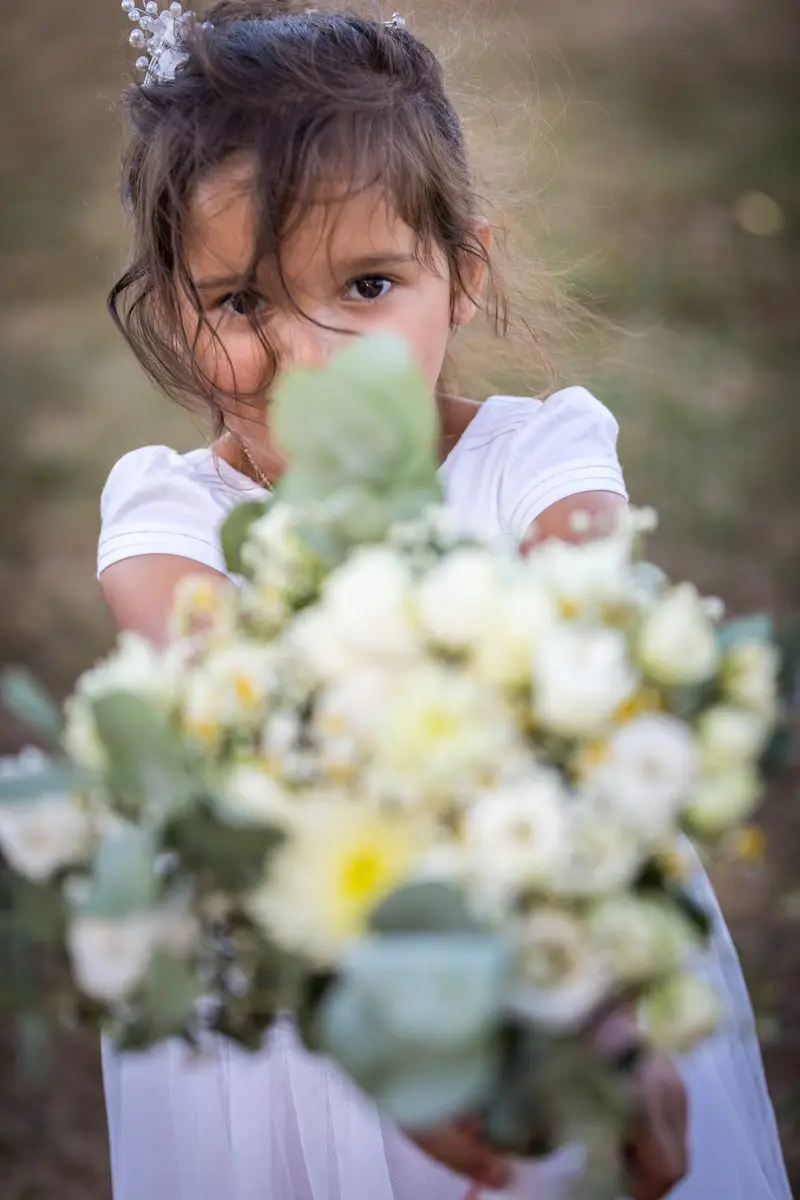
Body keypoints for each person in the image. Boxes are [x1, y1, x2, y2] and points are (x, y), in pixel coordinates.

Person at [96, 4, 791, 1197]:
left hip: (544, 941)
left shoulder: (537, 460)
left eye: (365, 285)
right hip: (309, 998)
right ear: (174, 308)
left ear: (460, 272)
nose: (308, 358)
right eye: (240, 304)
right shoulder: (171, 522)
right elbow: (230, 705)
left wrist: (592, 1016)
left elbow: (580, 636)